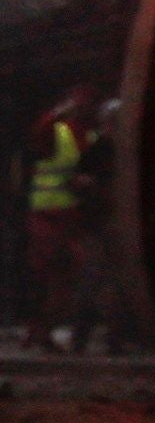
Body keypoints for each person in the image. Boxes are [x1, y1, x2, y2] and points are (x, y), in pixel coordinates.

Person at [28, 87, 97, 354]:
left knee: (69, 277)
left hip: (71, 217)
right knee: (50, 275)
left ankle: (45, 331)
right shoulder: (58, 131)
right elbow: (41, 134)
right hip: (49, 215)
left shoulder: (86, 135)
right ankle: (42, 331)